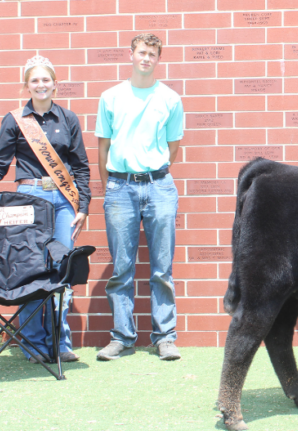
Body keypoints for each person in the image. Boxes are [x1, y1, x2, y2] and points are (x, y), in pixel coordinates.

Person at [0, 56, 90, 363]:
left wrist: (83, 205)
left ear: (55, 84)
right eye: (35, 80)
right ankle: (34, 345)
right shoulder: (15, 120)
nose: (41, 85)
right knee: (31, 270)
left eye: (46, 80)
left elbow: (81, 167)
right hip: (29, 198)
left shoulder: (68, 119)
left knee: (62, 269)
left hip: (63, 200)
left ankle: (60, 342)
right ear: (26, 86)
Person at [95, 33, 184, 361]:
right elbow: (103, 146)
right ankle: (122, 337)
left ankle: (165, 337)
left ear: (158, 59)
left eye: (152, 54)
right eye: (141, 52)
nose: (146, 58)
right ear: (131, 55)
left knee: (162, 268)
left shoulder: (170, 99)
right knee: (121, 267)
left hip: (159, 186)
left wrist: (151, 171)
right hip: (120, 187)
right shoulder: (111, 97)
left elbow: (173, 146)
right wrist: (111, 185)